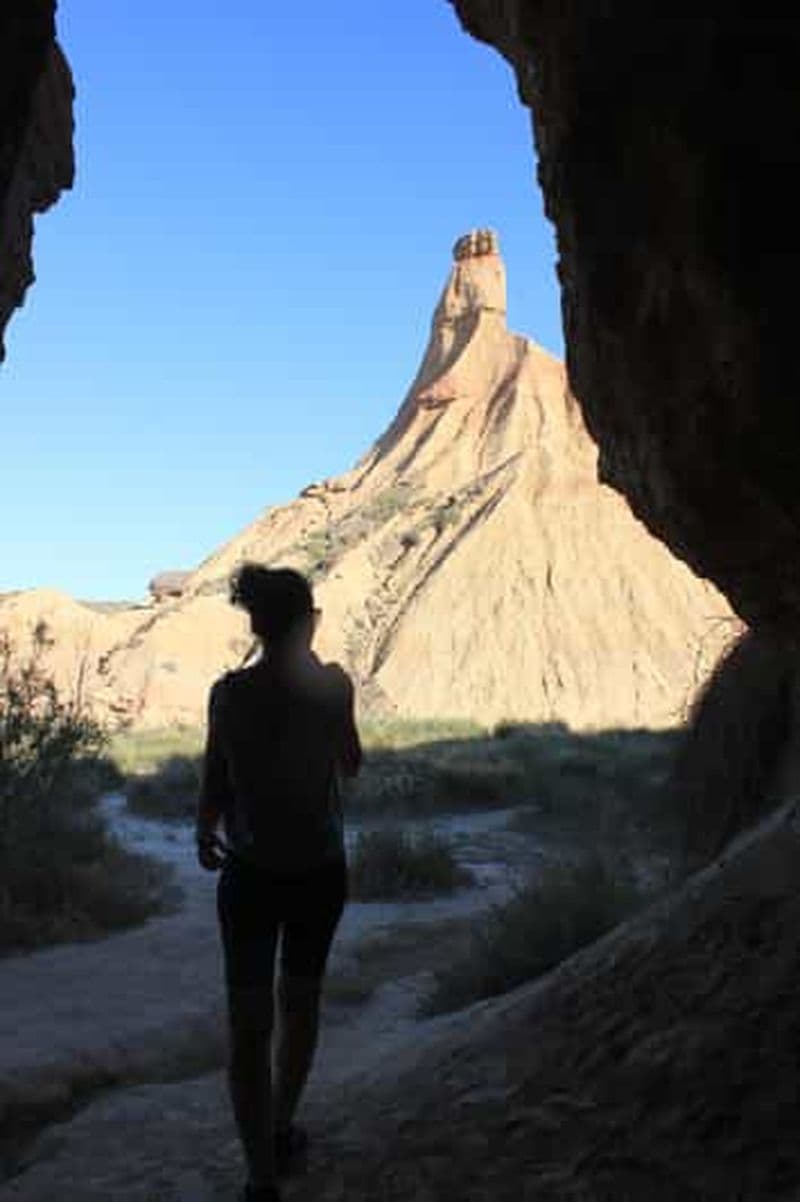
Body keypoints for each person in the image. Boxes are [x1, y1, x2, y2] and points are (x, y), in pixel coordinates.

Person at [195, 564, 361, 1202]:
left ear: (258, 626)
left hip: (249, 874)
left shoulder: (228, 693)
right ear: (306, 621)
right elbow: (351, 765)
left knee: (248, 1024)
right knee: (301, 1003)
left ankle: (260, 1177)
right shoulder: (332, 687)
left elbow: (216, 772)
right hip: (318, 871)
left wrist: (203, 827)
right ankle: (284, 1124)